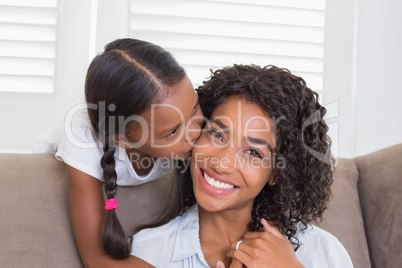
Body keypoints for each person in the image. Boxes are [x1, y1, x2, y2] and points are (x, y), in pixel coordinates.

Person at [131, 64, 353, 267]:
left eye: (253, 152)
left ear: (277, 173)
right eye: (217, 134)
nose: (221, 163)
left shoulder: (323, 252)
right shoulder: (147, 252)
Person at [55, 38, 203, 267]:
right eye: (173, 131)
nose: (195, 132)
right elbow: (96, 258)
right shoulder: (81, 138)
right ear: (123, 139)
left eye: (194, 108)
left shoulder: (192, 126)